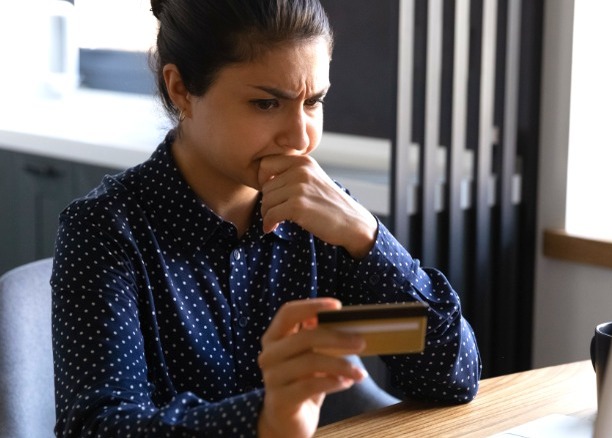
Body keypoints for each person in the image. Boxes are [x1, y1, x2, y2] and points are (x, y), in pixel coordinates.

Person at [50, 0, 481, 436]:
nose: (300, 138)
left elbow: (453, 379)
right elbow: (96, 427)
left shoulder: (324, 221)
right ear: (181, 89)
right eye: (266, 103)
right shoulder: (104, 230)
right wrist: (266, 419)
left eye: (314, 102)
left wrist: (368, 237)